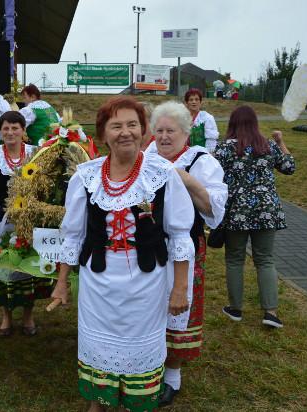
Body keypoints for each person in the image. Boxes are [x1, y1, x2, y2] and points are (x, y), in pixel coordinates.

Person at [51, 96, 194, 412]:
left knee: (138, 352)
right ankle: (100, 403)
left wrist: (180, 288)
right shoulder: (85, 177)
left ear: (145, 132)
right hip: (98, 284)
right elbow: (73, 235)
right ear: (103, 135)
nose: (125, 132)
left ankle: (135, 404)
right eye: (116, 126)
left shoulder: (162, 174)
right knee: (99, 348)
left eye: (133, 124)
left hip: (147, 284)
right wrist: (61, 283)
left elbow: (181, 235)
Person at [146, 101, 228, 407]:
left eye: (171, 131)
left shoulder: (201, 161)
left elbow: (213, 210)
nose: (164, 137)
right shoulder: (147, 157)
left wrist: (181, 175)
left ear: (186, 133)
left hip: (185, 247)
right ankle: (147, 366)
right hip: (147, 247)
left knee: (179, 307)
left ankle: (172, 377)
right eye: (159, 131)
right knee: (150, 307)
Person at [215, 105, 296, 329]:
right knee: (265, 259)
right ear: (255, 123)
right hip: (266, 211)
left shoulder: (225, 148)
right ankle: (270, 312)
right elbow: (289, 167)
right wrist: (280, 142)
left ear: (233, 123)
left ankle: (235, 309)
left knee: (234, 259)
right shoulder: (268, 146)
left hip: (237, 212)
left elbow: (211, 175)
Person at [0, 111, 52, 337]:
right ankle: (6, 316)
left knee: (29, 267)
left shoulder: (35, 153)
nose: (10, 132)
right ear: (0, 131)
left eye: (15, 128)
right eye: (5, 128)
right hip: (3, 219)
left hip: (29, 220)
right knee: (4, 266)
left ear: (23, 130)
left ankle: (28, 314)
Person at [184, 88, 220, 152]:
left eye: (196, 99)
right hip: (184, 155)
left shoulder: (207, 118)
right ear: (187, 103)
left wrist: (207, 156)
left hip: (201, 156)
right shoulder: (182, 118)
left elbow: (211, 141)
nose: (194, 102)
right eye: (191, 100)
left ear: (200, 102)